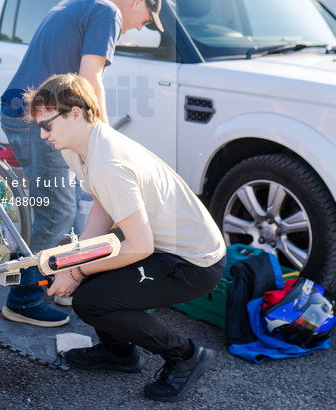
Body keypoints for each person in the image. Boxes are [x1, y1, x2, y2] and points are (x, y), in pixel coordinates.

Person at [33, 73, 227, 402]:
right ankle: (120, 354)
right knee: (93, 286)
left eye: (47, 125)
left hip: (193, 262)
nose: (42, 134)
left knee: (91, 300)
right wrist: (74, 259)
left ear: (75, 113)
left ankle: (187, 355)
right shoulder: (80, 146)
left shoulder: (108, 162)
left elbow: (139, 246)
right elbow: (102, 205)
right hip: (164, 247)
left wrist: (77, 270)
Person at [0, 0, 165, 327]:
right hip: (42, 119)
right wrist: (103, 136)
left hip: (30, 112)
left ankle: (53, 281)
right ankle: (23, 298)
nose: (139, 27)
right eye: (146, 19)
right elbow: (90, 78)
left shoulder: (84, 0)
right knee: (58, 209)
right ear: (139, 2)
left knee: (59, 204)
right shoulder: (108, 13)